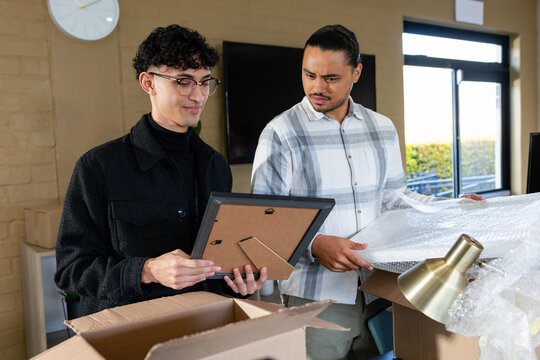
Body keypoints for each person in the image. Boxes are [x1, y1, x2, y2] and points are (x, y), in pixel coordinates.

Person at [251, 25, 483, 360]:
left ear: (356, 72)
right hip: (316, 300)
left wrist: (452, 207)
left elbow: (395, 200)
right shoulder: (281, 133)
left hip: (381, 290)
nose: (317, 87)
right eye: (309, 75)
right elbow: (264, 222)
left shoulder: (381, 128)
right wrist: (315, 245)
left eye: (331, 78)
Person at [55, 24, 266, 316]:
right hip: (129, 333)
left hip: (206, 324)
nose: (199, 96)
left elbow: (217, 265)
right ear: (148, 83)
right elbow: (71, 271)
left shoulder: (216, 166)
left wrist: (239, 281)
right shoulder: (98, 166)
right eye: (184, 81)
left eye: (205, 82)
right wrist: (147, 270)